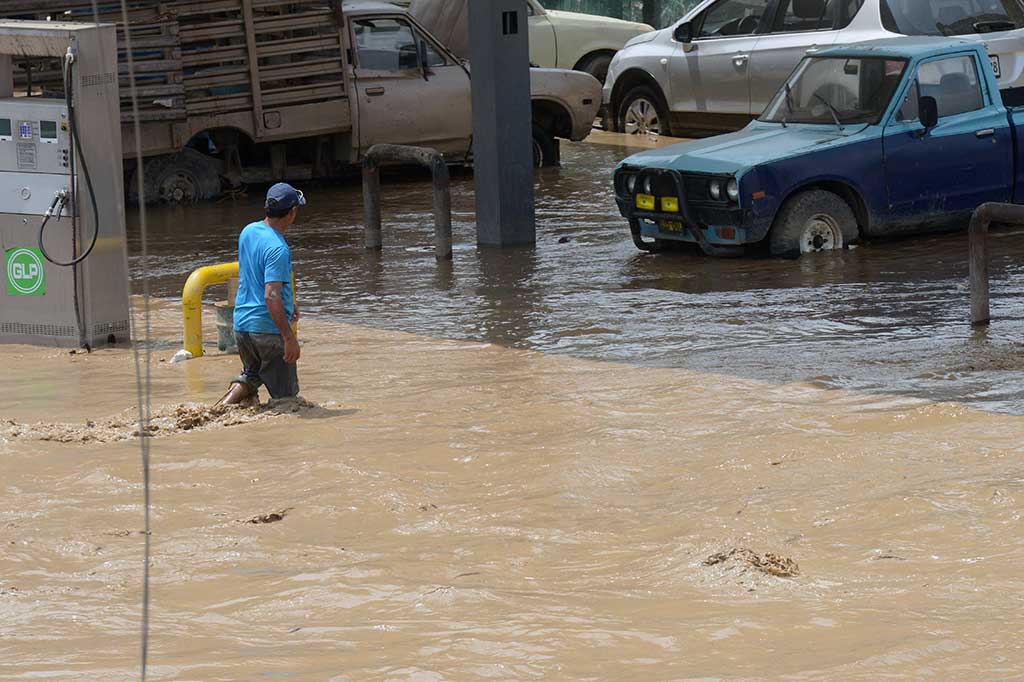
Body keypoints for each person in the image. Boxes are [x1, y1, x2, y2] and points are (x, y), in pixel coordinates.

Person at [219, 183, 305, 406]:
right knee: (287, 402)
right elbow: (271, 296)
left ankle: (218, 410)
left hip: (242, 328)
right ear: (292, 212)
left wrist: (289, 304)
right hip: (267, 332)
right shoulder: (278, 248)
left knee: (251, 375)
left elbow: (255, 275)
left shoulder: (248, 231)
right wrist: (289, 338)